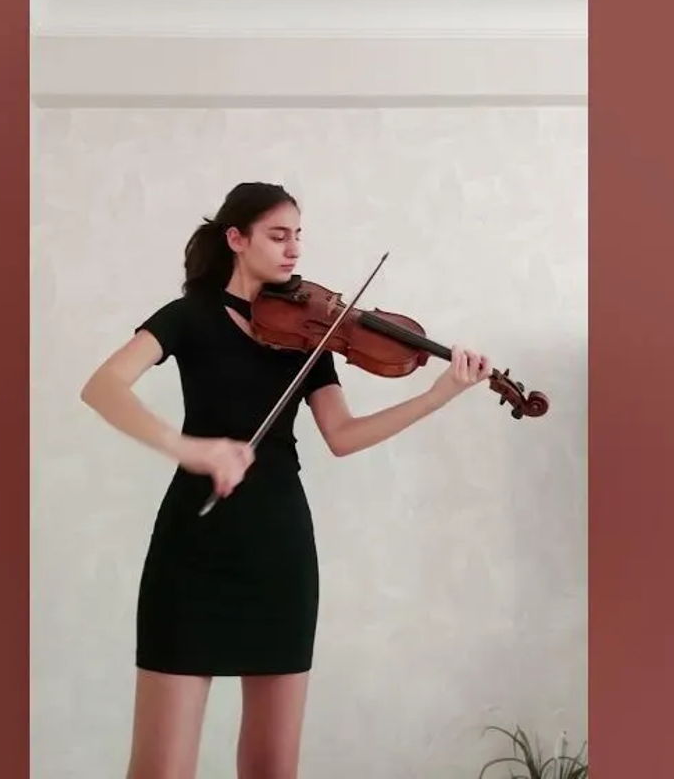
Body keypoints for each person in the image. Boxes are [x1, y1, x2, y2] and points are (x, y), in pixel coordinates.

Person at [80, 181, 491, 779]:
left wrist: (440, 393)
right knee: (159, 770)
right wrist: (188, 448)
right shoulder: (189, 316)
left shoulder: (310, 333)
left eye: (298, 235)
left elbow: (343, 435)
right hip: (193, 548)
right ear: (236, 238)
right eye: (278, 235)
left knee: (273, 769)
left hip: (278, 547)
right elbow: (102, 387)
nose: (294, 248)